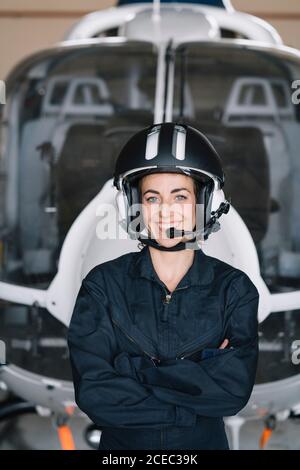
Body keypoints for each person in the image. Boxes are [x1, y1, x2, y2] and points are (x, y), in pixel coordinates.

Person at [67, 122, 259, 450]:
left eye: (180, 197)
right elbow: (96, 395)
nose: (165, 211)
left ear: (204, 204)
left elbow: (231, 393)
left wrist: (130, 370)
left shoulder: (234, 290)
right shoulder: (101, 286)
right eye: (152, 198)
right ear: (135, 206)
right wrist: (193, 389)